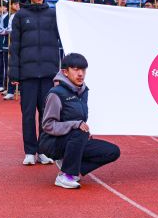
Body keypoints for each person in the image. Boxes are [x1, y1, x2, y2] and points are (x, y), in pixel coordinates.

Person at [39, 53, 121, 189]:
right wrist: (76, 125)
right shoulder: (56, 94)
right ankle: (65, 175)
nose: (80, 74)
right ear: (65, 72)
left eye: (83, 70)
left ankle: (70, 165)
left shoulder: (83, 91)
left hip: (74, 140)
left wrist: (81, 130)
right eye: (76, 69)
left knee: (112, 151)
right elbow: (48, 125)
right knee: (80, 131)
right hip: (53, 143)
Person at [10, 0, 61, 166]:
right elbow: (15, 47)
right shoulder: (20, 16)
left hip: (48, 73)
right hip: (28, 74)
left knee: (47, 114)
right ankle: (30, 151)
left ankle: (44, 151)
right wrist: (14, 73)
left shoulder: (54, 14)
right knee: (28, 113)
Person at [3, 0, 20, 100]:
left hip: (25, 45)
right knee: (12, 67)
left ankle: (21, 89)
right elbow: (9, 29)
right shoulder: (12, 17)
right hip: (14, 44)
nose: (18, 5)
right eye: (15, 4)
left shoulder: (26, 15)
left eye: (19, 4)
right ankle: (10, 90)